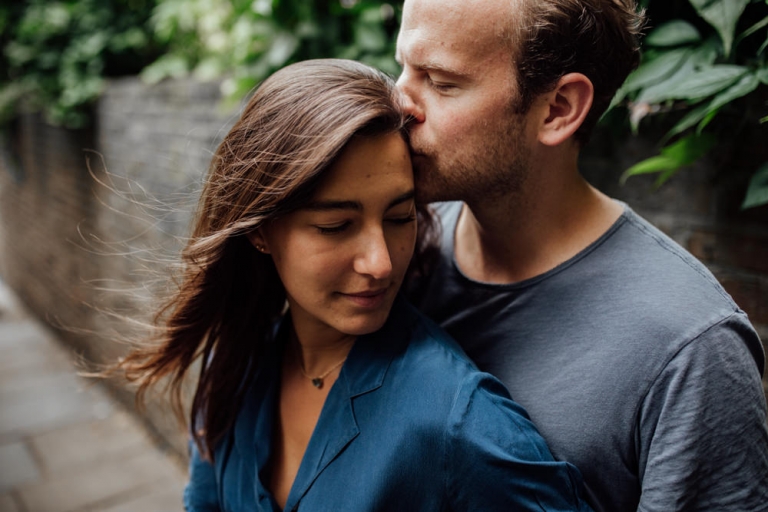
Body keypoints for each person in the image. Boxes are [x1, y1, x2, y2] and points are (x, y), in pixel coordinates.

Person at [113, 59, 594, 511]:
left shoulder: (456, 421)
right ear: (260, 230)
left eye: (399, 217)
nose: (381, 263)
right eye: (336, 226)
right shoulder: (234, 361)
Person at [395, 0, 768, 510]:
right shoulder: (394, 253)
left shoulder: (690, 348)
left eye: (440, 82)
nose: (399, 102)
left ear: (558, 109)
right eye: (403, 69)